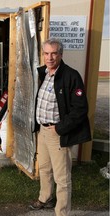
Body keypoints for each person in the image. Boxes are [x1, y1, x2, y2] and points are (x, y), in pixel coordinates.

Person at [29, 38, 91, 216]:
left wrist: (59, 129)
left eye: (54, 53)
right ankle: (45, 197)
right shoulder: (43, 73)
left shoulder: (71, 76)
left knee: (62, 178)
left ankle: (62, 213)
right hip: (42, 130)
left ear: (61, 54)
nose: (50, 57)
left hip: (57, 133)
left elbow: (80, 109)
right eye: (46, 53)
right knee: (44, 168)